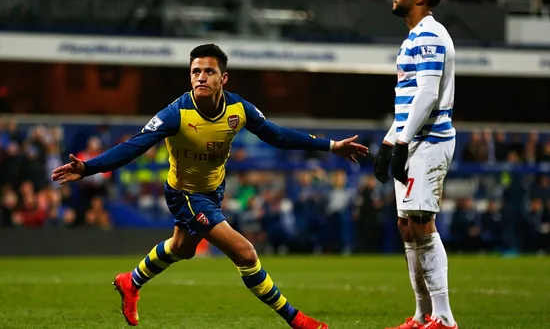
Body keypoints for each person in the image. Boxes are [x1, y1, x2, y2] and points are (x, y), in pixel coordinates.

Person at [51, 43, 369, 329]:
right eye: (195, 71)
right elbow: (133, 146)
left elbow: (278, 135)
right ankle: (296, 319)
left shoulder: (238, 109)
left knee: (182, 248)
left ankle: (130, 281)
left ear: (223, 78)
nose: (201, 77)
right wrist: (89, 167)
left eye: (208, 71)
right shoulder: (176, 113)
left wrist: (331, 145)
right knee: (246, 253)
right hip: (185, 195)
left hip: (213, 191)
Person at [373, 0, 458, 329]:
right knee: (407, 226)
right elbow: (409, 101)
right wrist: (388, 142)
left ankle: (445, 318)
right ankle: (423, 316)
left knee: (422, 222)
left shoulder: (430, 35)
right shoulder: (413, 37)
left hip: (429, 142)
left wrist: (403, 142)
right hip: (413, 142)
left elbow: (427, 93)